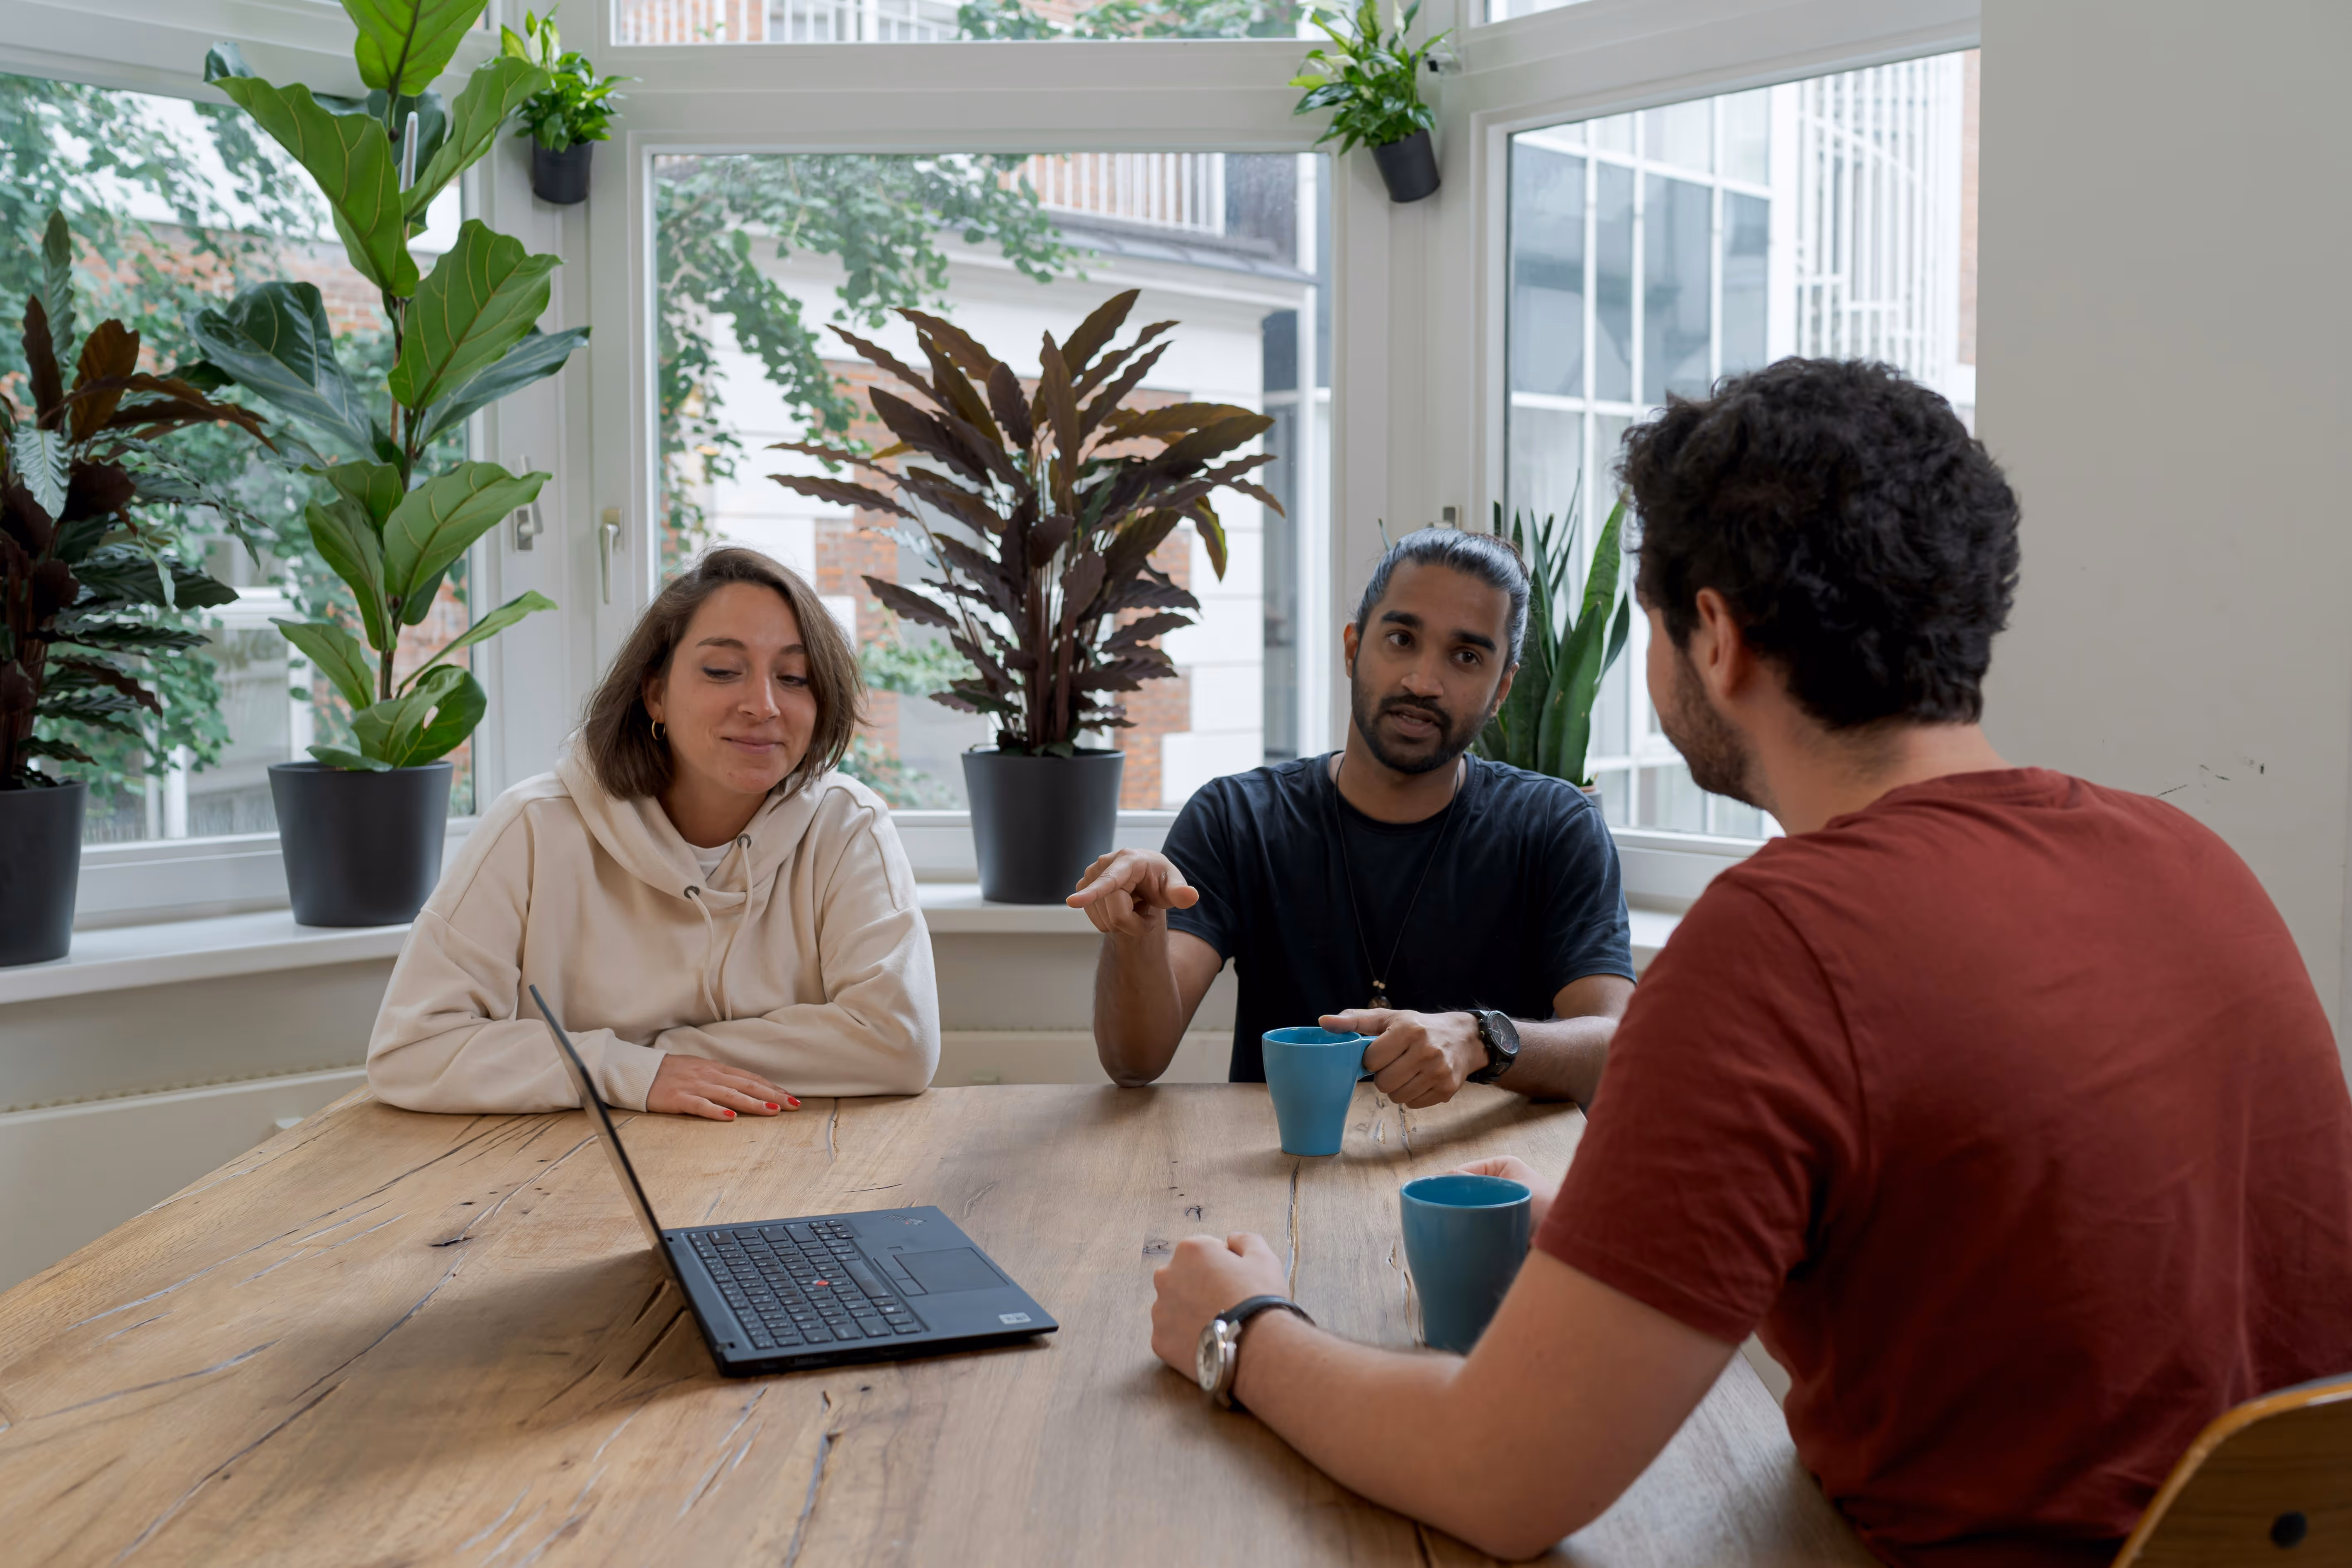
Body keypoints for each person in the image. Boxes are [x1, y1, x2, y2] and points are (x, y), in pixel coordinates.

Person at [1143, 359, 2352, 1566]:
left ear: (1709, 638)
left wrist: (1240, 1329)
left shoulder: (1777, 942)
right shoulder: (2193, 859)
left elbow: (1496, 1480)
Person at [1069, 528, 1634, 1108]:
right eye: (1400, 639)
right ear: (1352, 648)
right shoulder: (1236, 818)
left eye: (1466, 656)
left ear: (1501, 690)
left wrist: (1482, 1040)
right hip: (1283, 1181)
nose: (1422, 682)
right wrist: (1137, 938)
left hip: (1480, 1186)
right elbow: (1133, 1063)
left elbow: (1615, 1047)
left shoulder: (1555, 825)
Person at [368, 547, 940, 1119]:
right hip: (564, 1175)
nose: (763, 706)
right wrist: (628, 1072)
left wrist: (650, 1057)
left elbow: (900, 1043)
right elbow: (411, 1050)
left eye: (794, 678)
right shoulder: (533, 828)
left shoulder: (847, 825)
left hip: (790, 1164)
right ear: (655, 693)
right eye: (722, 671)